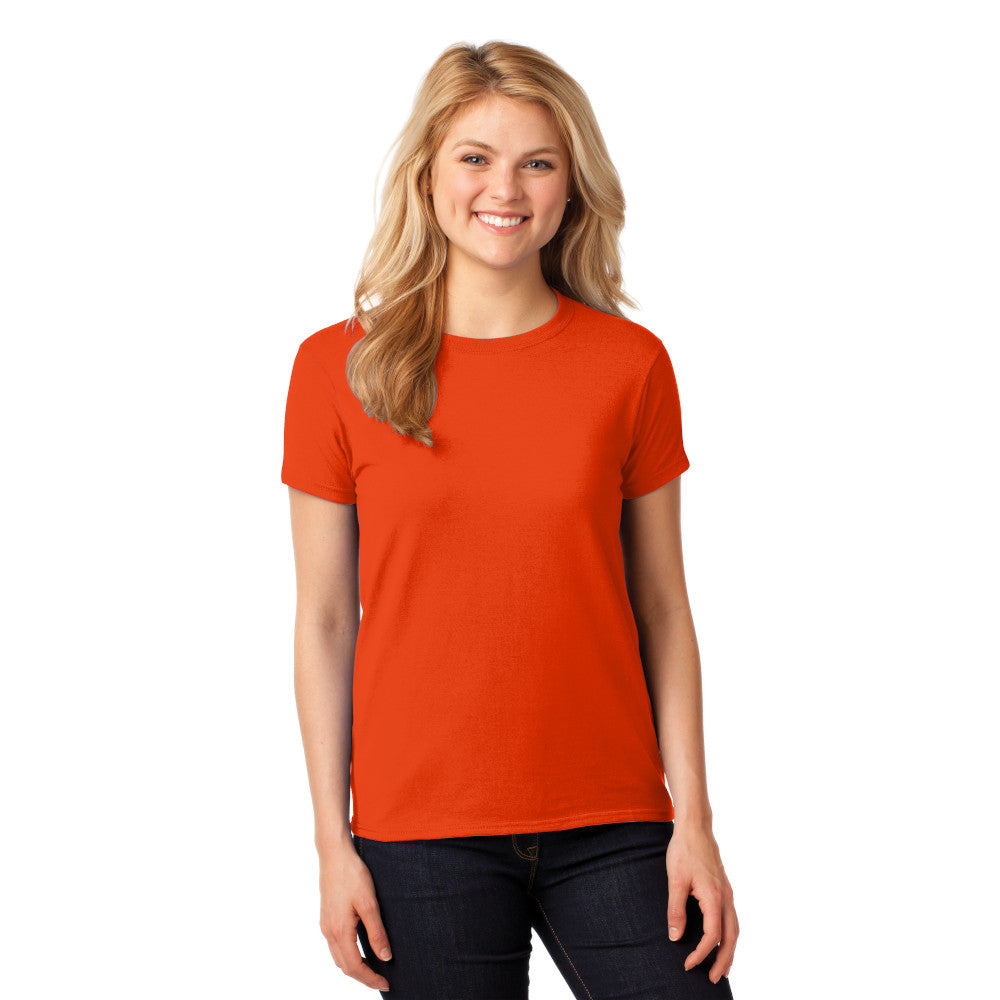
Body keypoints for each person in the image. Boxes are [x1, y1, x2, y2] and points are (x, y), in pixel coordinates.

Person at [281, 39, 739, 999]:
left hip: (615, 818)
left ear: (572, 185)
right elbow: (324, 619)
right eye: (475, 158)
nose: (506, 188)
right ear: (427, 175)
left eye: (538, 162)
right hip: (420, 833)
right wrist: (331, 843)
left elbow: (664, 607)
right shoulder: (337, 369)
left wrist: (694, 822)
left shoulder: (630, 365)